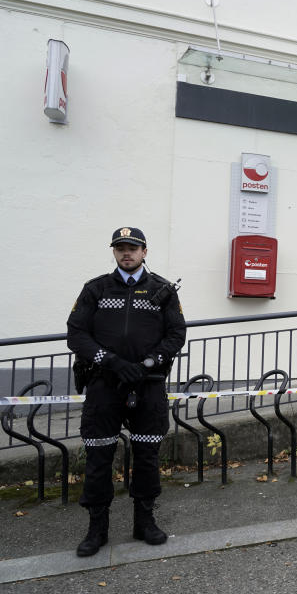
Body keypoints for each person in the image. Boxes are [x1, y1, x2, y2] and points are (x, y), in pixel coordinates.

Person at [67, 227, 185, 557]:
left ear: (144, 251)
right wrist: (114, 362)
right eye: (120, 248)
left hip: (148, 386)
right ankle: (97, 529)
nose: (126, 253)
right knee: (99, 457)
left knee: (147, 455)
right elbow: (76, 334)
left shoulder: (162, 290)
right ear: (114, 252)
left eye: (132, 248)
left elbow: (176, 335)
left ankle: (144, 522)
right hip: (105, 384)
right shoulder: (96, 289)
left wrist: (148, 362)